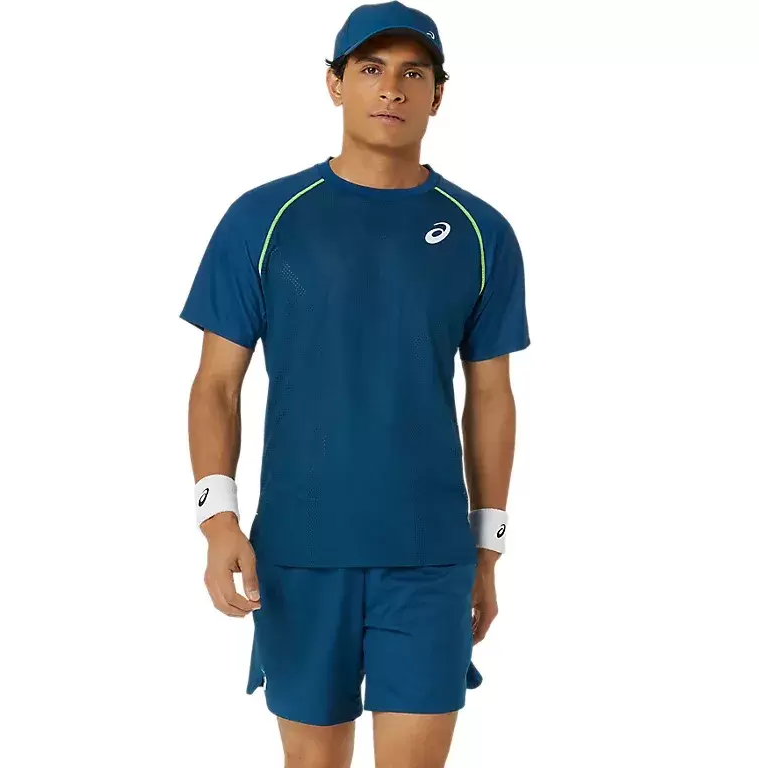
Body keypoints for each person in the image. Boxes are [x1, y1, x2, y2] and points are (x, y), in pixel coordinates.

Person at [179, 2, 530, 765]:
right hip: (300, 550)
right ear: (335, 84)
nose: (392, 88)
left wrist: (489, 548)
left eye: (413, 73)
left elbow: (491, 397)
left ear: (439, 94)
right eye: (371, 69)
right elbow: (216, 385)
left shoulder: (481, 233)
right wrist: (217, 519)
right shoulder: (262, 219)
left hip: (430, 555)